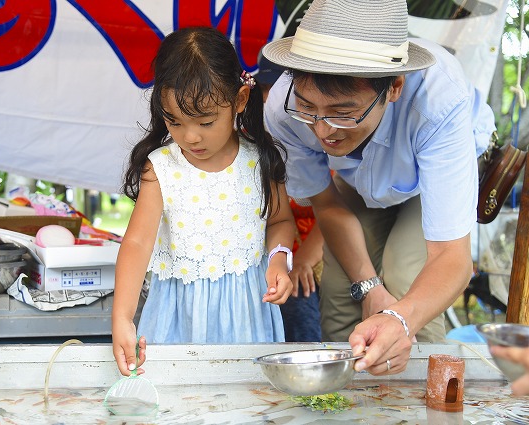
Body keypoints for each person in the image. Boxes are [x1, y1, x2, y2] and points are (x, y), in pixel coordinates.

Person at [262, 0, 496, 375]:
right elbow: (326, 202)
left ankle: (422, 394)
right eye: (309, 109)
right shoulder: (283, 108)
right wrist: (368, 285)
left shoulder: (439, 99)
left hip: (431, 177)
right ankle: (344, 399)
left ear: (394, 88)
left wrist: (401, 319)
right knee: (342, 287)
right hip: (359, 178)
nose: (322, 131)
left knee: (405, 276)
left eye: (343, 113)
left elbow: (451, 257)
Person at [112, 26, 296, 376]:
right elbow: (137, 243)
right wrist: (122, 317)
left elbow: (281, 222)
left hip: (248, 316)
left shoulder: (260, 161)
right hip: (179, 316)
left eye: (205, 121)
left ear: (240, 100)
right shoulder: (161, 168)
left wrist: (278, 259)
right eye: (175, 122)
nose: (190, 136)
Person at [258, 49, 323, 342]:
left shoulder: (321, 133)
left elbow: (333, 209)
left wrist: (303, 262)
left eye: (281, 90)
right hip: (270, 256)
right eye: (267, 89)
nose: (273, 98)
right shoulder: (254, 141)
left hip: (316, 249)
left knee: (300, 299)